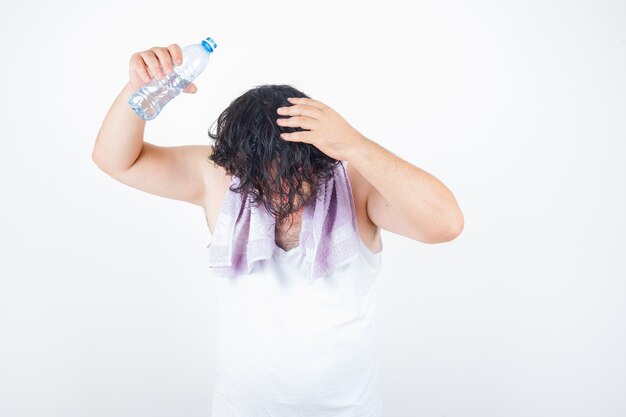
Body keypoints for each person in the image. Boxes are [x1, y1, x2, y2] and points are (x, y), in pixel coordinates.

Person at [93, 43, 464, 417]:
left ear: (318, 155)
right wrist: (137, 90)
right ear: (236, 167)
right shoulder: (219, 180)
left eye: (291, 173)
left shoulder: (356, 185)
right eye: (260, 177)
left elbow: (445, 224)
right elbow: (115, 161)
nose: (278, 189)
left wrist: (354, 144)